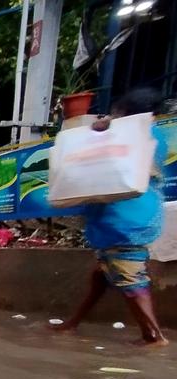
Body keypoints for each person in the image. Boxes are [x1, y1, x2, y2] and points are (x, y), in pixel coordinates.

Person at [54, 88, 168, 346]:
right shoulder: (144, 135)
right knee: (101, 276)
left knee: (130, 277)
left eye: (117, 112)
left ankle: (155, 337)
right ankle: (73, 323)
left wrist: (105, 128)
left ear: (128, 114)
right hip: (120, 217)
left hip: (126, 219)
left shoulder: (142, 136)